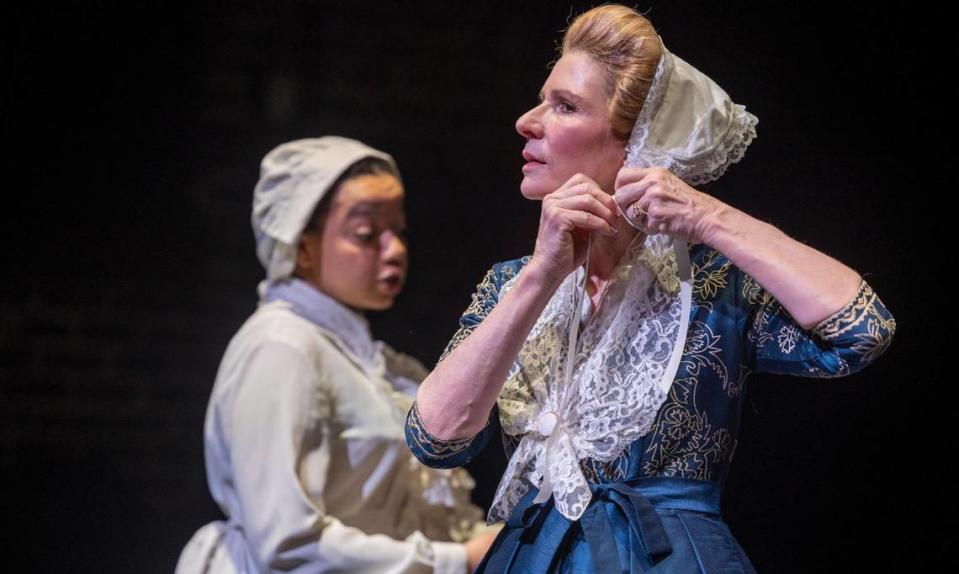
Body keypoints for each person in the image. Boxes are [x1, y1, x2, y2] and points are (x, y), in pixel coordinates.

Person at [405, 5, 896, 572]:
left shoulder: (713, 286)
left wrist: (709, 218)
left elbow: (863, 330)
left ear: (636, 142)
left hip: (664, 557)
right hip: (533, 556)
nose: (527, 120)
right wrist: (541, 276)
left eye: (563, 106)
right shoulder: (512, 284)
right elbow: (434, 440)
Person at [176, 137, 497, 573]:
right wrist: (454, 562)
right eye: (366, 234)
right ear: (302, 247)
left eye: (398, 231)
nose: (395, 250)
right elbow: (287, 542)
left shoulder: (367, 360)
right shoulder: (283, 346)